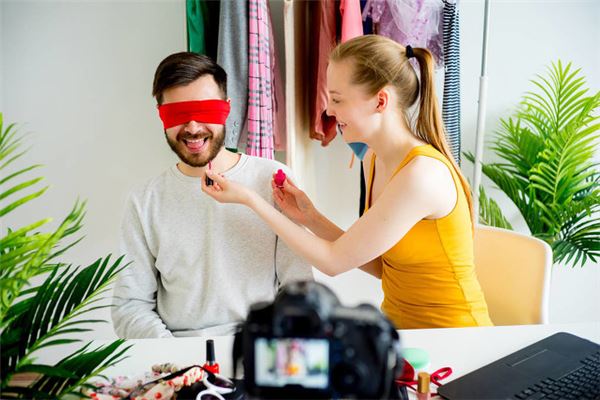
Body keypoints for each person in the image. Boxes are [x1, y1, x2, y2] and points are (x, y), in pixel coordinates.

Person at [202, 35, 493, 329]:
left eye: (338, 99)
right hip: (403, 331)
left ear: (381, 101)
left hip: (454, 336)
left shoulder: (421, 174)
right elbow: (382, 266)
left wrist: (252, 200)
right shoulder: (373, 159)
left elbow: (333, 262)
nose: (329, 111)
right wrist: (310, 217)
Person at [112, 52, 313, 338]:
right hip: (175, 353)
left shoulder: (273, 180)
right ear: (161, 115)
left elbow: (299, 288)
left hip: (260, 347)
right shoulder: (144, 201)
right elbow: (129, 306)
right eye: (178, 114)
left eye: (205, 111)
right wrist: (175, 354)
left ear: (227, 109)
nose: (193, 128)